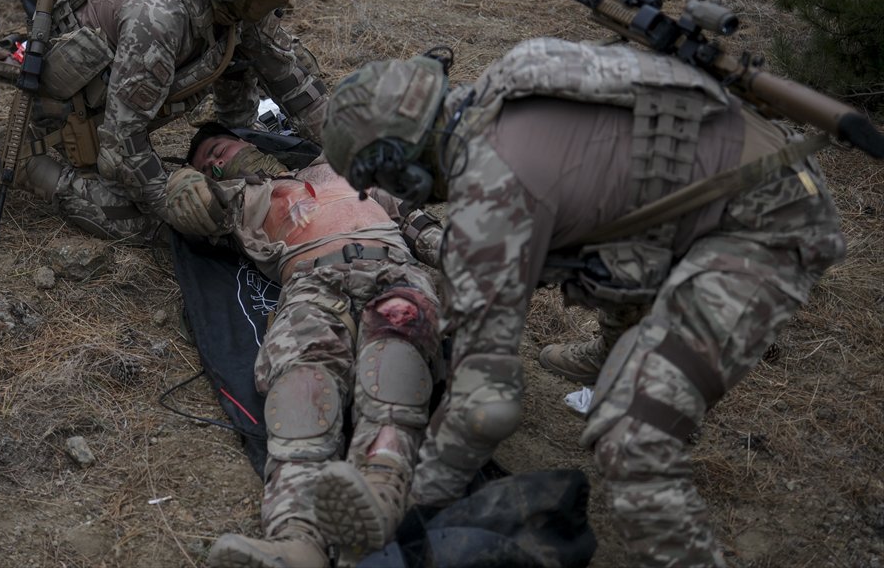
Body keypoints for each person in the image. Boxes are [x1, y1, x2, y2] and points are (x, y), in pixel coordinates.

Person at [320, 39, 847, 567]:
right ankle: (620, 347)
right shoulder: (513, 77)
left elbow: (486, 408)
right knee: (586, 245)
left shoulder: (490, 204)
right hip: (753, 169)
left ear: (401, 166)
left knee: (632, 438)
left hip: (765, 228)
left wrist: (421, 500)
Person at [0, 0, 329, 245]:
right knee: (166, 229)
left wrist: (355, 150)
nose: (288, 0)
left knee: (244, 46)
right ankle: (30, 167)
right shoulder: (160, 19)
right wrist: (170, 195)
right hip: (75, 121)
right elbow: (121, 146)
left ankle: (237, 130)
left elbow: (295, 83)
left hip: (122, 102)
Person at [164, 122, 445, 567]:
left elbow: (418, 222)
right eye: (208, 165)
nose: (215, 162)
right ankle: (296, 538)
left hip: (394, 270)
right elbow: (186, 209)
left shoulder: (343, 168)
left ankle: (379, 495)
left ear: (248, 142)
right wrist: (180, 184)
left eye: (217, 149)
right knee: (300, 386)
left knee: (393, 363)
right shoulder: (241, 198)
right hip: (313, 283)